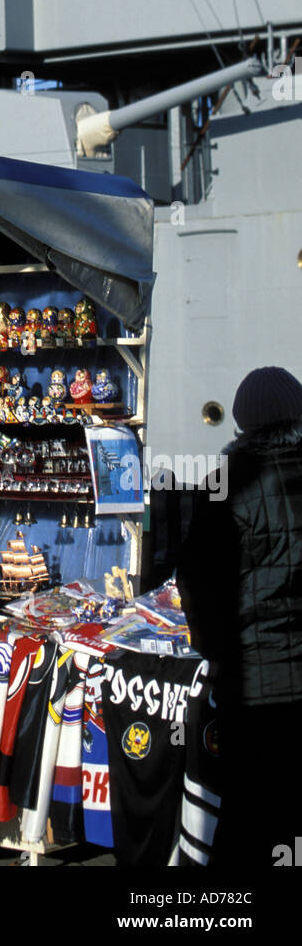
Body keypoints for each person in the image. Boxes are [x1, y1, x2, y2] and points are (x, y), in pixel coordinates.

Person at [177, 366, 302, 866]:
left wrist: (218, 653)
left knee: (247, 814)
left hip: (251, 688)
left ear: (243, 422)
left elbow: (198, 586)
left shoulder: (223, 485)